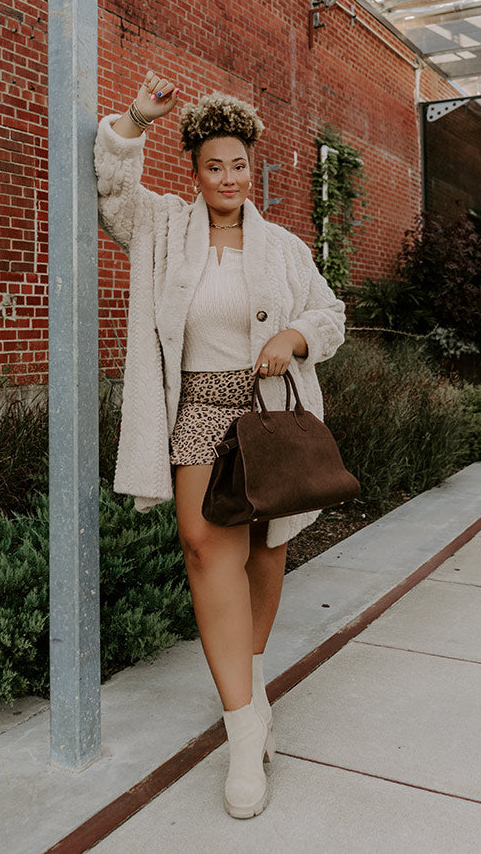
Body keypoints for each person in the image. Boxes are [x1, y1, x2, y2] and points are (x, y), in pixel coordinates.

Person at [94, 69, 346, 819]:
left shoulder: (287, 248)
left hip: (271, 410)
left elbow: (330, 314)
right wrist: (135, 118)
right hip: (201, 408)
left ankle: (252, 688)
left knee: (266, 550)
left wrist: (294, 335)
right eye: (214, 166)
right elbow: (111, 190)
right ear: (195, 171)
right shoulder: (162, 228)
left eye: (239, 164)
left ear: (250, 166)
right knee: (206, 549)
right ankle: (243, 732)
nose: (229, 178)